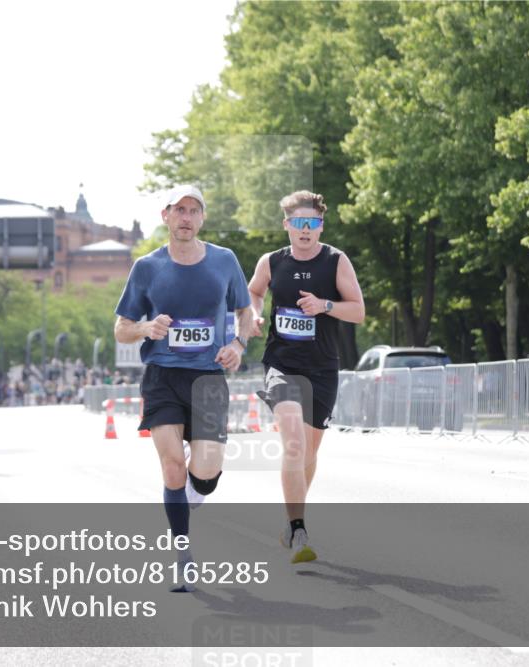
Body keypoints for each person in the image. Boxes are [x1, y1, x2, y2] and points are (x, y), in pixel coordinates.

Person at [114, 184, 253, 592]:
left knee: (206, 470)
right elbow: (121, 329)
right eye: (179, 209)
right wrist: (145, 326)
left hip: (208, 377)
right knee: (172, 465)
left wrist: (238, 344)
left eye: (194, 210)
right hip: (162, 376)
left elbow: (245, 311)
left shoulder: (225, 261)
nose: (187, 217)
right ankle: (182, 555)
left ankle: (195, 489)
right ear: (166, 216)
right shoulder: (147, 267)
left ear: (202, 218)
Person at [247, 190, 365, 563]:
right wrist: (253, 314)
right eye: (298, 223)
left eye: (311, 223)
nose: (305, 230)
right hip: (282, 363)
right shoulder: (271, 262)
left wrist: (324, 306)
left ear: (320, 227)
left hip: (323, 366)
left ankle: (291, 519)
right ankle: (298, 529)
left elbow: (358, 311)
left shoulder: (335, 261)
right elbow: (253, 292)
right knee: (294, 442)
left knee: (309, 452)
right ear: (286, 225)